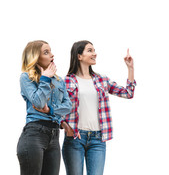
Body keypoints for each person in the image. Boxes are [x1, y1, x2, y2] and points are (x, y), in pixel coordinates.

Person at [61, 40, 136, 175]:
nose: (95, 53)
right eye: (90, 50)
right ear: (79, 56)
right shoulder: (67, 81)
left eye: (94, 50)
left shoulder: (102, 80)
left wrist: (130, 69)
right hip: (75, 139)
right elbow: (57, 109)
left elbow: (128, 93)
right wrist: (65, 126)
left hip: (98, 139)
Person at [17, 40, 72, 175]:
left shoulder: (59, 81)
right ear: (35, 57)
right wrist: (45, 78)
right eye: (46, 52)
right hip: (34, 133)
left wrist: (50, 110)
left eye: (50, 51)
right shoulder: (26, 78)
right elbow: (39, 103)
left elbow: (68, 106)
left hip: (54, 137)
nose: (52, 55)